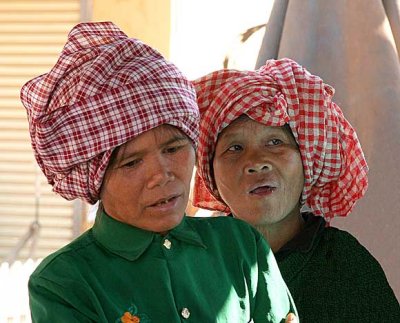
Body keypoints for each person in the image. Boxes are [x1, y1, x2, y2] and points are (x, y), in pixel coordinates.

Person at [20, 22, 298, 322]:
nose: (162, 176)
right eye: (131, 163)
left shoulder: (241, 245)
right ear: (94, 177)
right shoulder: (64, 283)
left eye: (174, 149)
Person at [192, 58, 400, 322]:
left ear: (307, 162)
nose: (255, 163)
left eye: (275, 142)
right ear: (211, 174)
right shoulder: (191, 261)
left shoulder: (344, 264)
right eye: (235, 148)